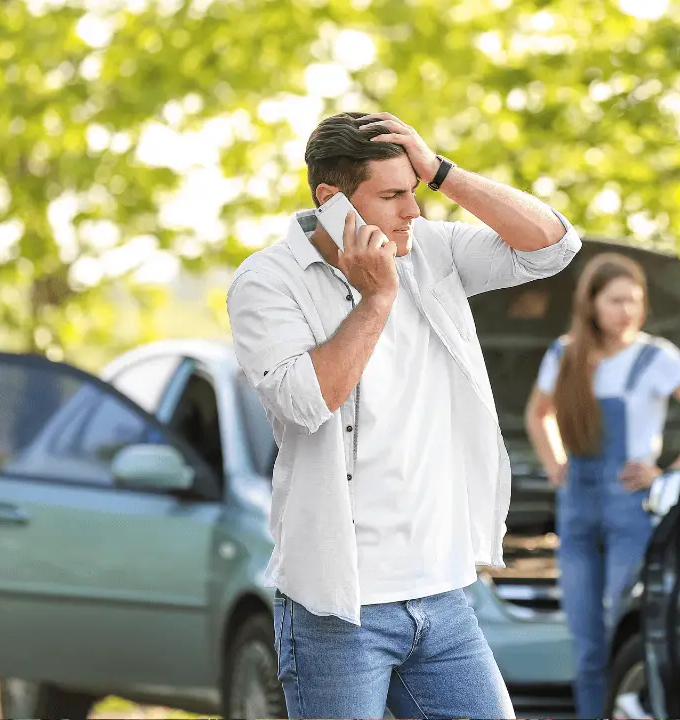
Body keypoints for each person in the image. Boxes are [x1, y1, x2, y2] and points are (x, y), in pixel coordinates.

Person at [226, 111, 581, 719]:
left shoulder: (433, 250)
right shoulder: (266, 282)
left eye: (413, 191)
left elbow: (553, 247)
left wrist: (443, 173)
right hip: (338, 607)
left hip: (442, 595)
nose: (412, 211)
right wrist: (378, 298)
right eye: (392, 196)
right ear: (332, 200)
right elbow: (308, 400)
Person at [524, 252, 680, 717]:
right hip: (577, 509)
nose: (627, 310)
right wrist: (556, 464)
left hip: (633, 509)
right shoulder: (564, 354)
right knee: (586, 640)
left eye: (635, 300)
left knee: (620, 628)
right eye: (616, 300)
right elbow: (538, 413)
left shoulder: (655, 357)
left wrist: (670, 471)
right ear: (591, 304)